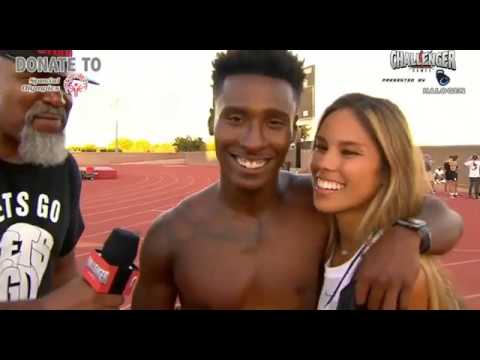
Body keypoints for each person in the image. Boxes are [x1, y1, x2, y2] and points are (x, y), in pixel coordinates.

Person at [132, 50, 463, 310]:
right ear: (211, 121)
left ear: (293, 131)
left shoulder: (317, 202)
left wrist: (407, 237)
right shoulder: (171, 236)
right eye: (235, 117)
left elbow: (440, 213)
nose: (252, 140)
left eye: (274, 122)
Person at [312, 93, 463, 310]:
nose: (324, 162)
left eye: (349, 152)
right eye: (321, 146)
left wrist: (410, 235)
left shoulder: (398, 277)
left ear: (387, 168)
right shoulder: (321, 236)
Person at [0, 50, 123, 309]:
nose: (58, 98)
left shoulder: (62, 168)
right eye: (38, 79)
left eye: (64, 83)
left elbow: (61, 273)